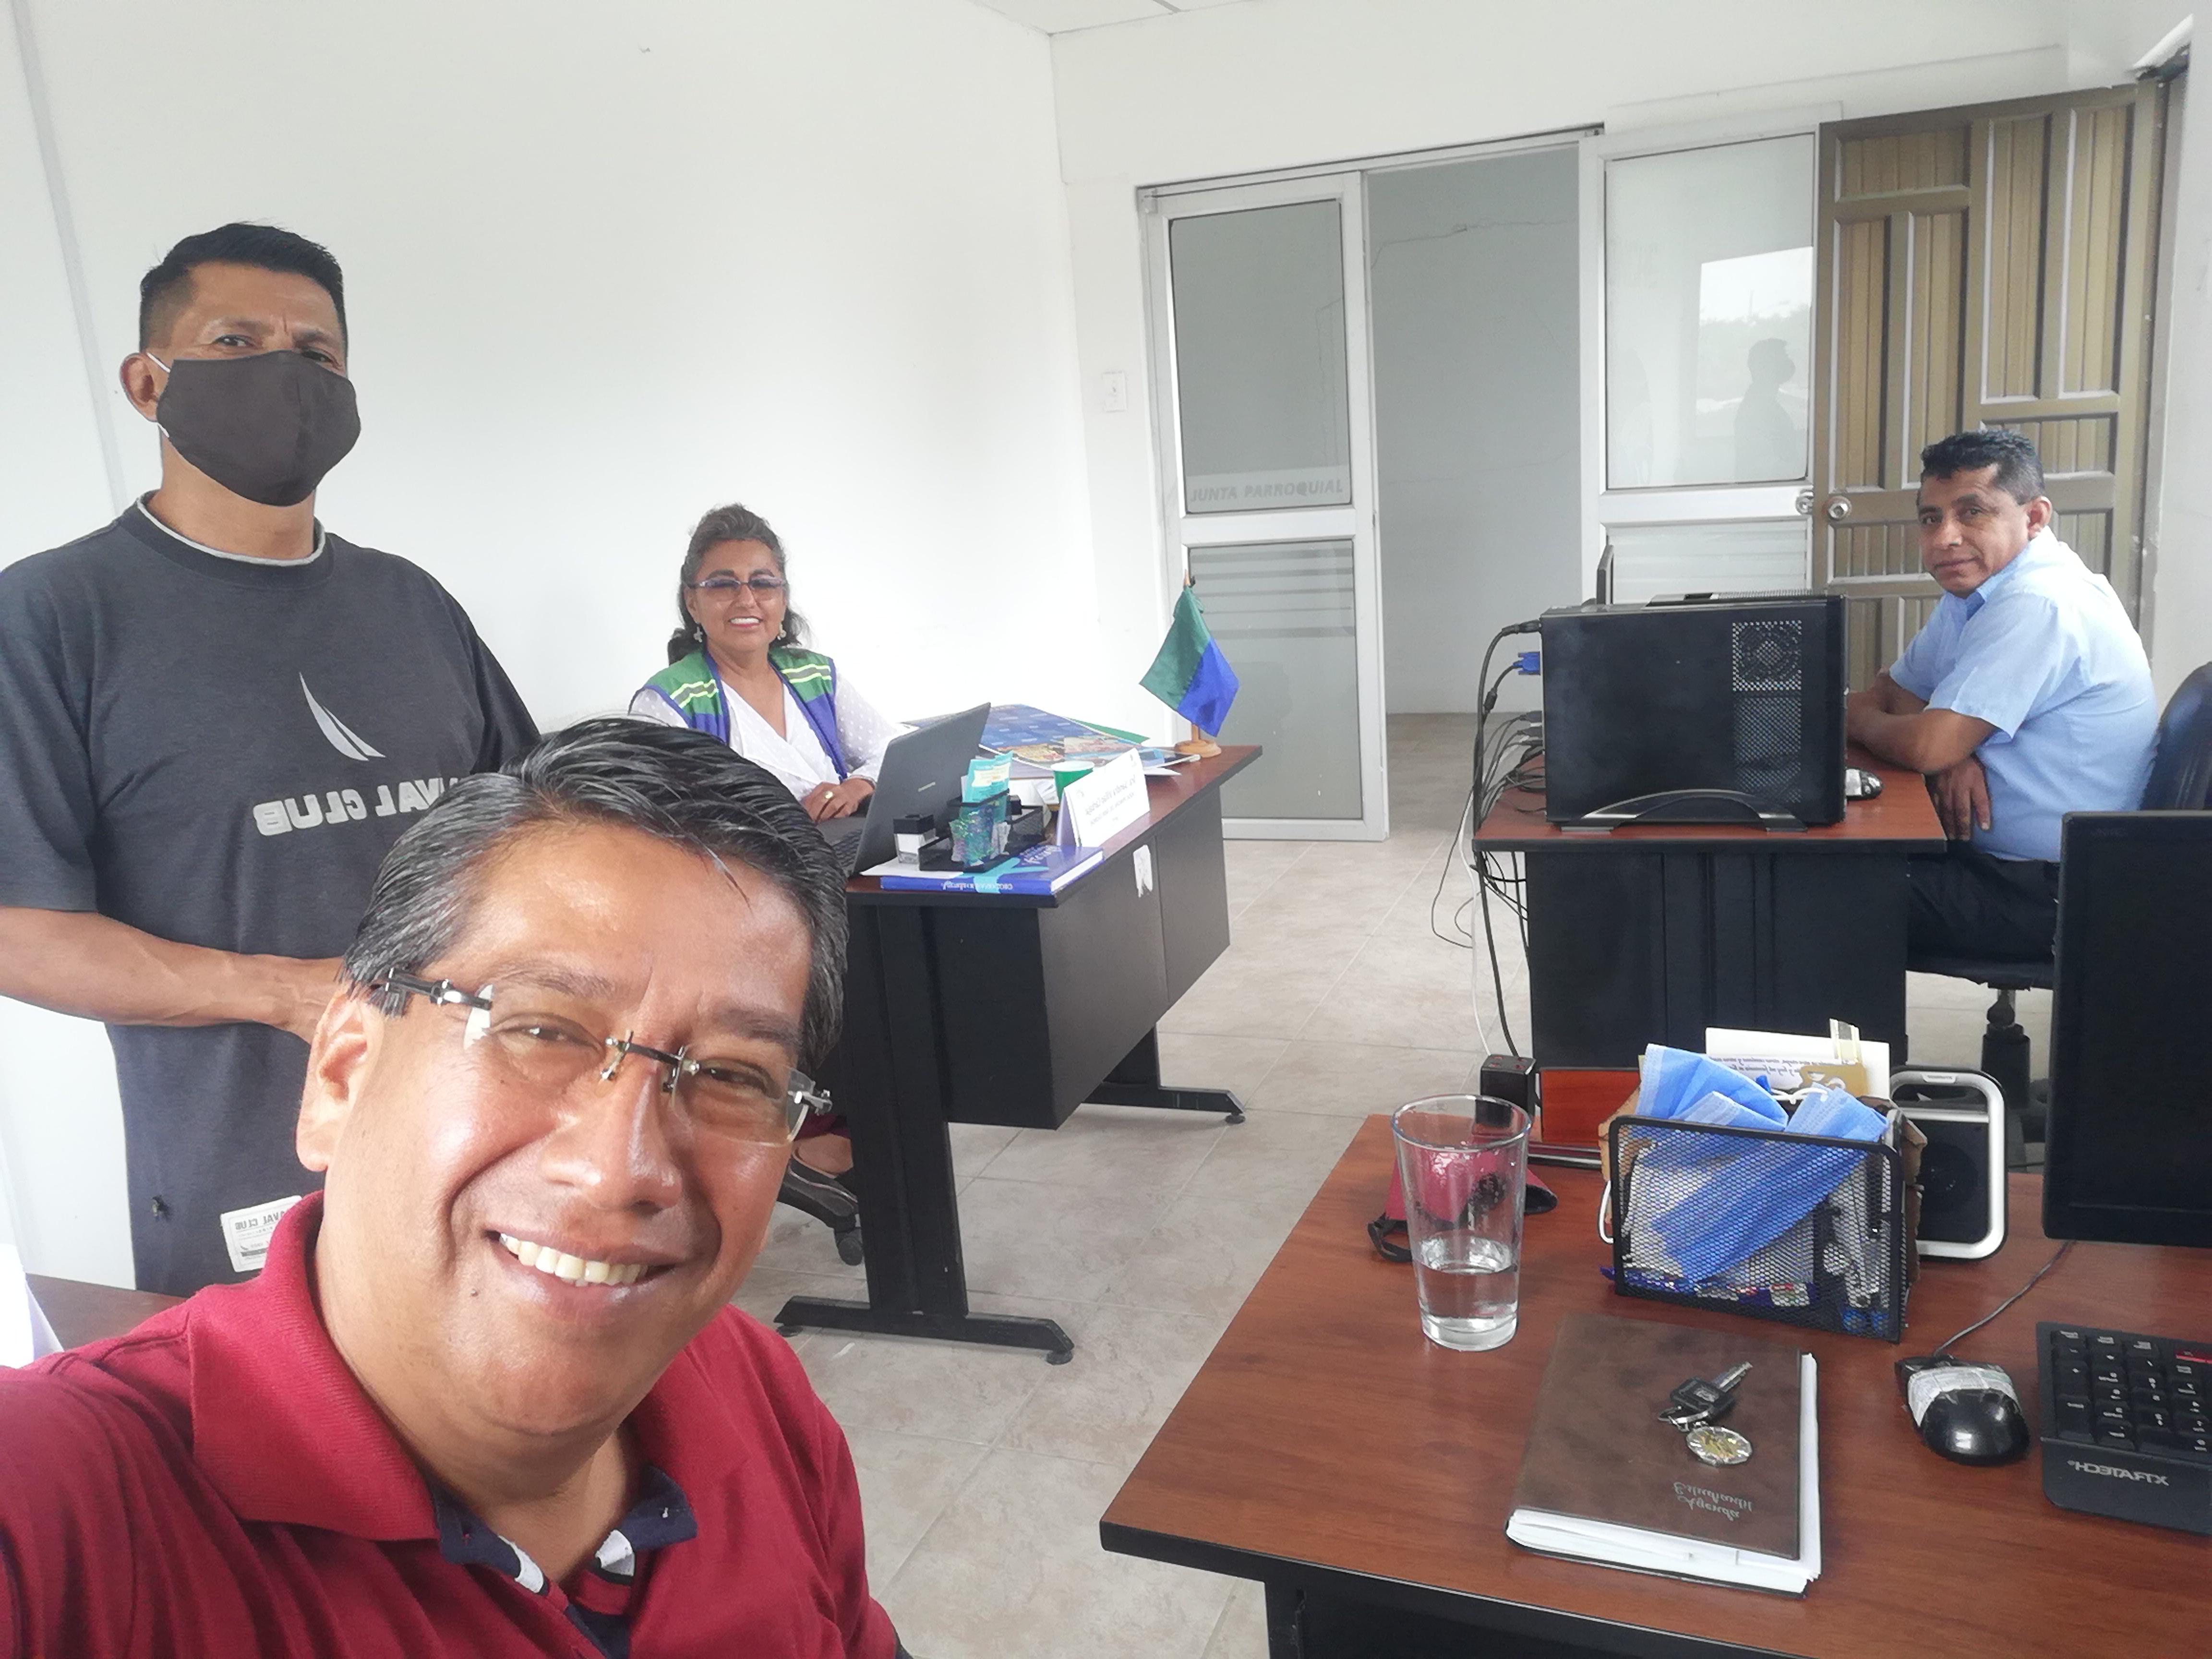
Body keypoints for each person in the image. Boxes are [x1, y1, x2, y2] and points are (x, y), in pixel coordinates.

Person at [0, 720, 906, 1658]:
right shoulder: (63, 1511)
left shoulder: (755, 1389)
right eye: (542, 1030)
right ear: (342, 1073)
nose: (620, 1169)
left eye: (729, 1075)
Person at [0, 223, 538, 1297]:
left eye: (315, 352)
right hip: (248, 1169)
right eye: (235, 342)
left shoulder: (411, 604)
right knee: (282, 1403)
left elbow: (534, 833)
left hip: (486, 1122)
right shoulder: (53, 619)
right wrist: (288, 993)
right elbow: (20, 931)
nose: (283, 373)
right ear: (147, 383)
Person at [629, 504, 901, 1251]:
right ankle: (823, 1143)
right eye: (722, 584)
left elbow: (890, 747)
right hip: (744, 903)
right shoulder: (670, 701)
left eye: (763, 583)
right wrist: (776, 821)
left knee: (902, 963)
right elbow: (670, 824)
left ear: (784, 598)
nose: (745, 599)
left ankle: (865, 1132)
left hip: (837, 871)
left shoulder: (814, 674)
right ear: (692, 601)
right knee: (853, 982)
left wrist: (859, 785)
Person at [1846, 428, 2157, 961]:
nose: (1946, 537)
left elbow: (1921, 743)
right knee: (1820, 861)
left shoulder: (2040, 602)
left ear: (2034, 517)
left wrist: (1868, 724)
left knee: (1811, 889)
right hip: (2002, 867)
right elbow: (1894, 690)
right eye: (1931, 518)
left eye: (1972, 513)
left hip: (2054, 892)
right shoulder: (1978, 588)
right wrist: (1951, 751)